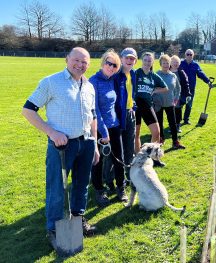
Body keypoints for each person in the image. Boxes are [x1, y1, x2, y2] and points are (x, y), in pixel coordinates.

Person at [22, 47, 99, 249]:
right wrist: (52, 132)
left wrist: (95, 143)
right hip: (62, 145)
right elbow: (28, 110)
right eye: (76, 60)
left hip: (87, 143)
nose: (80, 65)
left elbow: (93, 117)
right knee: (57, 188)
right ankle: (54, 229)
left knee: (82, 185)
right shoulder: (51, 82)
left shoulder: (89, 86)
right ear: (67, 59)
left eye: (84, 62)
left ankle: (78, 219)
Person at [90, 49, 128, 206]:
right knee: (98, 161)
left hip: (115, 125)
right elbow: (95, 110)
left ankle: (121, 187)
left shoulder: (112, 79)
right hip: (99, 128)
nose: (111, 67)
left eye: (115, 65)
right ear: (103, 62)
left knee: (119, 159)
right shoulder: (93, 81)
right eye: (109, 63)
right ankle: (99, 190)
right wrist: (104, 132)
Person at [135, 52, 168, 167]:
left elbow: (165, 88)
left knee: (156, 132)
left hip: (148, 105)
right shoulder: (135, 73)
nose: (147, 62)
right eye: (145, 60)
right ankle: (138, 159)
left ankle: (155, 158)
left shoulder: (154, 76)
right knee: (136, 134)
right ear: (141, 60)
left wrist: (155, 91)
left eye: (149, 60)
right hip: (135, 106)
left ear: (153, 62)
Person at [114, 47, 137, 183]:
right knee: (117, 150)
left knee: (129, 147)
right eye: (127, 58)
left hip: (130, 114)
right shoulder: (116, 75)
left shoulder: (133, 74)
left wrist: (133, 107)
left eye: (132, 58)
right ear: (121, 59)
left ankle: (129, 175)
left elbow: (132, 94)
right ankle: (112, 179)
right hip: (117, 117)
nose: (129, 60)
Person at [154, 54, 185, 149]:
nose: (166, 65)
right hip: (158, 103)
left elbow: (178, 89)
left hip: (170, 103)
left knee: (173, 123)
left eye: (167, 63)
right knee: (159, 122)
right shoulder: (156, 75)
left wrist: (176, 99)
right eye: (164, 63)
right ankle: (161, 139)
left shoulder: (173, 76)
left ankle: (175, 142)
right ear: (160, 64)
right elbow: (152, 89)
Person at [180, 49, 211, 125]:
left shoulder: (195, 65)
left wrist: (208, 81)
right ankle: (178, 120)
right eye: (188, 54)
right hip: (181, 88)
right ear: (185, 55)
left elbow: (201, 74)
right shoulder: (180, 64)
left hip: (191, 89)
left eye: (191, 54)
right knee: (180, 105)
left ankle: (186, 120)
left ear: (193, 55)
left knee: (189, 105)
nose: (189, 56)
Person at [170, 55, 191, 133]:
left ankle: (177, 126)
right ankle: (172, 126)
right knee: (170, 111)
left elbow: (186, 84)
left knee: (178, 111)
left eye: (177, 62)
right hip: (168, 95)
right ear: (170, 62)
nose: (175, 64)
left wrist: (188, 94)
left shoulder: (181, 72)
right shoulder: (167, 71)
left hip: (179, 95)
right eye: (174, 62)